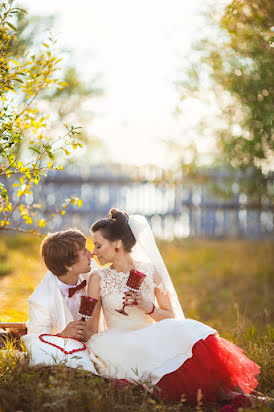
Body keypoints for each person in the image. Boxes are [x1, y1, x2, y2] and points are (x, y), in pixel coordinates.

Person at [86, 208, 260, 405]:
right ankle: (235, 398)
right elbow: (91, 327)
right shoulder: (98, 278)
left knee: (190, 330)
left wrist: (148, 307)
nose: (93, 252)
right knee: (156, 352)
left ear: (116, 244)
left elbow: (170, 315)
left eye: (98, 246)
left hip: (151, 332)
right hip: (119, 340)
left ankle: (240, 394)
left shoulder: (150, 271)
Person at [27, 229, 99, 341]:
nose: (91, 255)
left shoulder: (91, 269)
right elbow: (36, 341)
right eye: (84, 252)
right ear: (68, 266)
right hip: (67, 353)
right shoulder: (40, 300)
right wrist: (62, 336)